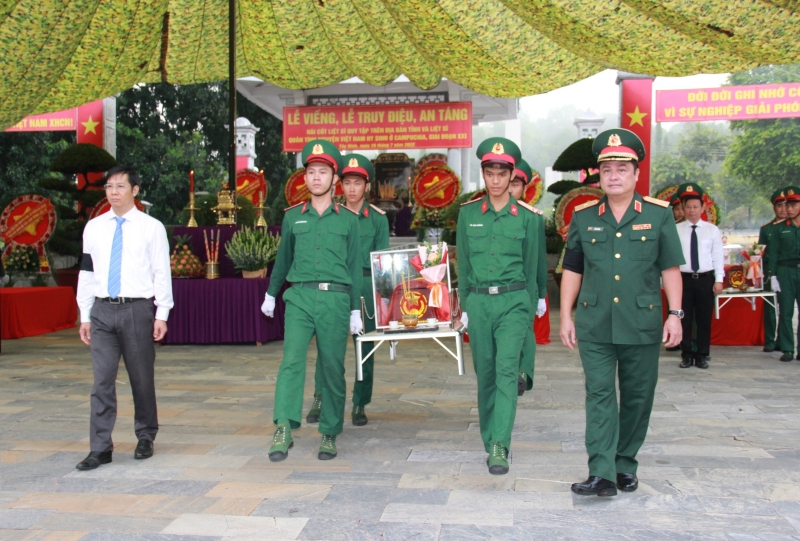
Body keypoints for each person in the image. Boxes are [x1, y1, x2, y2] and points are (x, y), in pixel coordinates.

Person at [560, 128, 684, 497]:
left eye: (621, 169)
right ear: (598, 175)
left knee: (637, 396)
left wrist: (675, 313)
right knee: (598, 394)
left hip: (641, 322)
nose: (613, 176)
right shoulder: (583, 217)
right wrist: (565, 315)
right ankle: (601, 471)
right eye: (607, 169)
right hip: (595, 322)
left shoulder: (659, 216)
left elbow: (670, 269)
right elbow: (573, 269)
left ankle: (624, 462)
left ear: (635, 174)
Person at [262, 139, 362, 461]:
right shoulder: (293, 217)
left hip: (335, 299)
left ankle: (330, 433)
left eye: (323, 172)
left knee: (333, 368)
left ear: (335, 179)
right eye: (311, 172)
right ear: (304, 179)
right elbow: (282, 259)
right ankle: (283, 427)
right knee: (291, 362)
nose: (316, 177)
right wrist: (270, 293)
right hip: (300, 297)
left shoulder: (348, 220)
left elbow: (354, 268)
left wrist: (356, 309)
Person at [75, 165, 173, 470]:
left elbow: (161, 272)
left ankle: (145, 435)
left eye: (120, 186)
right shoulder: (94, 227)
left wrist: (162, 313)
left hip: (137, 309)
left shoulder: (151, 227)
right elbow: (86, 272)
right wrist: (85, 314)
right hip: (102, 311)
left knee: (141, 378)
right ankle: (100, 447)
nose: (113, 192)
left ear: (135, 190)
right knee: (101, 381)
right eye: (108, 187)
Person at [457, 137, 543, 475]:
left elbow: (533, 264)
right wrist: (464, 305)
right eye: (489, 173)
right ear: (484, 174)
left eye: (501, 173)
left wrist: (536, 301)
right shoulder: (467, 216)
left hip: (513, 301)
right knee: (486, 375)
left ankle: (499, 444)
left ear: (512, 176)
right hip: (478, 302)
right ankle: (489, 435)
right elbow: (463, 264)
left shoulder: (529, 218)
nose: (495, 180)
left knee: (506, 371)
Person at [305, 153, 389, 427]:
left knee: (364, 349)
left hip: (366, 285)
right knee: (328, 347)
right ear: (340, 185)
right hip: (338, 288)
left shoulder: (377, 219)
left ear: (367, 186)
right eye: (347, 183)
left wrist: (382, 300)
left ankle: (360, 403)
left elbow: (382, 262)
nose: (352, 189)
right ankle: (320, 397)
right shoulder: (333, 214)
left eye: (358, 183)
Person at [509, 158, 547, 396]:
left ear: (524, 189)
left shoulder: (533, 217)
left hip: (526, 287)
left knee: (525, 331)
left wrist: (541, 294)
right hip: (501, 286)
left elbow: (540, 258)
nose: (511, 188)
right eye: (509, 183)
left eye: (516, 184)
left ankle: (523, 372)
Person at [674, 183, 724, 369]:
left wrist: (719, 279)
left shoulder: (712, 230)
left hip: (705, 279)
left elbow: (717, 256)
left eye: (696, 207)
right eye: (688, 207)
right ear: (683, 209)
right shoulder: (676, 230)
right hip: (683, 280)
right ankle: (686, 354)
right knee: (684, 318)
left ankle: (702, 354)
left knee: (703, 319)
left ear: (702, 208)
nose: (692, 210)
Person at [768, 186, 800, 362]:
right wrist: (772, 276)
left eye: (794, 205)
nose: (789, 209)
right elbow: (773, 253)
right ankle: (788, 348)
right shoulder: (779, 228)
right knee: (786, 311)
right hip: (785, 271)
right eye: (788, 205)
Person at [759, 189, 787, 353]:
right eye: (779, 205)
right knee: (770, 306)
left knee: (786, 308)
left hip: (787, 270)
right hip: (769, 271)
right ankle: (769, 340)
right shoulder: (766, 229)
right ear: (774, 207)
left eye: (786, 205)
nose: (783, 209)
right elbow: (760, 252)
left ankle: (783, 340)